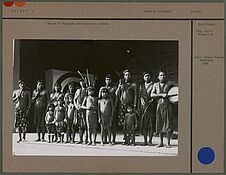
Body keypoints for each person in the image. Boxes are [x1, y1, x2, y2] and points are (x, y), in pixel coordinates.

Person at [151, 70, 174, 148]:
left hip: (168, 106)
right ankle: (160, 142)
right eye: (161, 75)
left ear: (166, 76)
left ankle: (168, 143)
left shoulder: (170, 83)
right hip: (159, 106)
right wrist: (161, 94)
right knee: (159, 123)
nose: (162, 76)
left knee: (168, 123)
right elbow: (152, 94)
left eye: (164, 75)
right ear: (158, 77)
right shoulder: (155, 85)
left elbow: (178, 88)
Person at [115, 69, 138, 144]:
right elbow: (117, 94)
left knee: (131, 123)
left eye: (129, 75)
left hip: (130, 105)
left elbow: (135, 95)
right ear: (124, 76)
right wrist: (119, 86)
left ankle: (132, 139)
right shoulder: (122, 84)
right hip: (122, 105)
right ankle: (126, 139)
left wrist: (134, 105)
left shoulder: (133, 84)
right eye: (126, 75)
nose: (127, 76)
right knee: (124, 123)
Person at [98, 74, 117, 144]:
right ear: (105, 80)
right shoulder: (102, 88)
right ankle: (104, 139)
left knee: (112, 125)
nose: (108, 81)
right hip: (103, 107)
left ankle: (113, 139)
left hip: (111, 107)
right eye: (107, 79)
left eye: (109, 79)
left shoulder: (114, 88)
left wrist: (114, 106)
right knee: (103, 127)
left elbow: (117, 98)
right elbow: (99, 97)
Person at [138, 72, 155, 146]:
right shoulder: (141, 86)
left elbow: (155, 94)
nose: (147, 77)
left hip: (151, 107)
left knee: (151, 124)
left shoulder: (154, 85)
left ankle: (150, 141)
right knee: (144, 124)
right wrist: (139, 105)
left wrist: (153, 100)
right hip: (143, 107)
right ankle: (145, 140)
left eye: (148, 76)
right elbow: (139, 96)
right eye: (145, 76)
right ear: (143, 77)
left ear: (151, 77)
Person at [74, 78, 87, 144]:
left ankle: (86, 139)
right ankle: (80, 139)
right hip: (78, 109)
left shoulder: (87, 90)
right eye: (81, 82)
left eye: (83, 82)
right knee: (80, 125)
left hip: (85, 109)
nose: (82, 83)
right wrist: (76, 106)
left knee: (85, 124)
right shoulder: (78, 90)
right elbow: (74, 99)